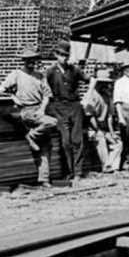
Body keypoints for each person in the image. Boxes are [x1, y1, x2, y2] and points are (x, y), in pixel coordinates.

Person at [0, 46, 58, 187]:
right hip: (26, 111)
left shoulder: (40, 76)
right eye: (28, 60)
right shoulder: (16, 74)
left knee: (46, 146)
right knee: (52, 122)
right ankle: (31, 136)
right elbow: (0, 90)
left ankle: (44, 179)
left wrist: (42, 110)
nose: (31, 63)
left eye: (33, 60)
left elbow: (47, 96)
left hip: (39, 111)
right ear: (24, 61)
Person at [45, 40, 93, 182]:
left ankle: (78, 173)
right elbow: (41, 87)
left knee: (77, 140)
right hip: (59, 108)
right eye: (61, 55)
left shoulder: (74, 70)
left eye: (66, 55)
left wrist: (87, 98)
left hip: (75, 107)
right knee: (65, 141)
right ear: (56, 55)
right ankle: (70, 171)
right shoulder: (50, 72)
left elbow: (92, 80)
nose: (64, 58)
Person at [82, 69, 121, 173]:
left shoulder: (107, 97)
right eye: (103, 83)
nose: (105, 86)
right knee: (100, 139)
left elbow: (109, 117)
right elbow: (90, 117)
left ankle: (112, 166)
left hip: (103, 127)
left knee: (118, 144)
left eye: (106, 83)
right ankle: (105, 166)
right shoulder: (92, 96)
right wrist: (98, 130)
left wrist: (112, 133)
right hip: (91, 128)